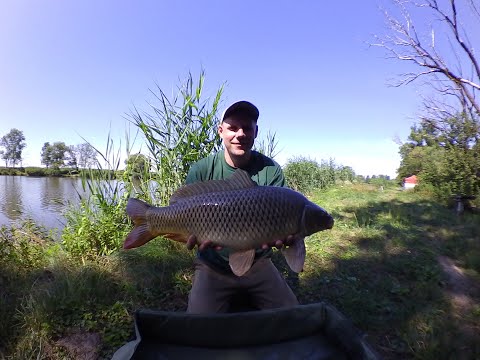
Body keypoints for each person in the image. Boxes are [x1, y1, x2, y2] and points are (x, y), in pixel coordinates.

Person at [184, 100, 300, 313]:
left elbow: (286, 222)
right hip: (212, 266)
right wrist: (188, 235)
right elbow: (182, 209)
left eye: (247, 128)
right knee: (198, 325)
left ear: (256, 132)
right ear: (221, 131)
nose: (240, 134)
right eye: (233, 128)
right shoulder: (201, 169)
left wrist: (285, 237)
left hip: (258, 263)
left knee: (291, 315)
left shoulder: (270, 170)